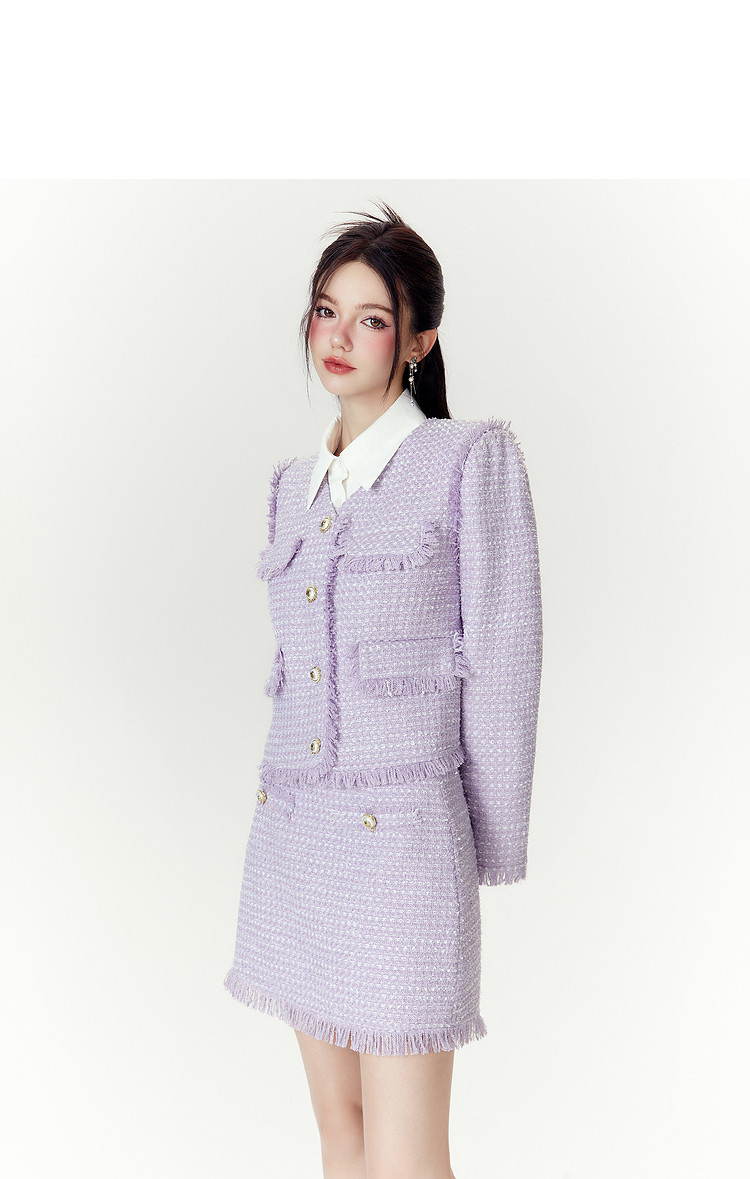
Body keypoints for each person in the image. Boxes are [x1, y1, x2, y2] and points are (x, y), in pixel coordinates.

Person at [223, 201, 544, 1179]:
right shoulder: (292, 487)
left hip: (405, 852)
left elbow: (506, 665)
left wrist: (485, 848)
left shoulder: (467, 460)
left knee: (407, 1155)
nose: (338, 335)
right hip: (295, 849)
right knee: (342, 1135)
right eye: (327, 311)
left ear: (418, 340)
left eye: (370, 318)